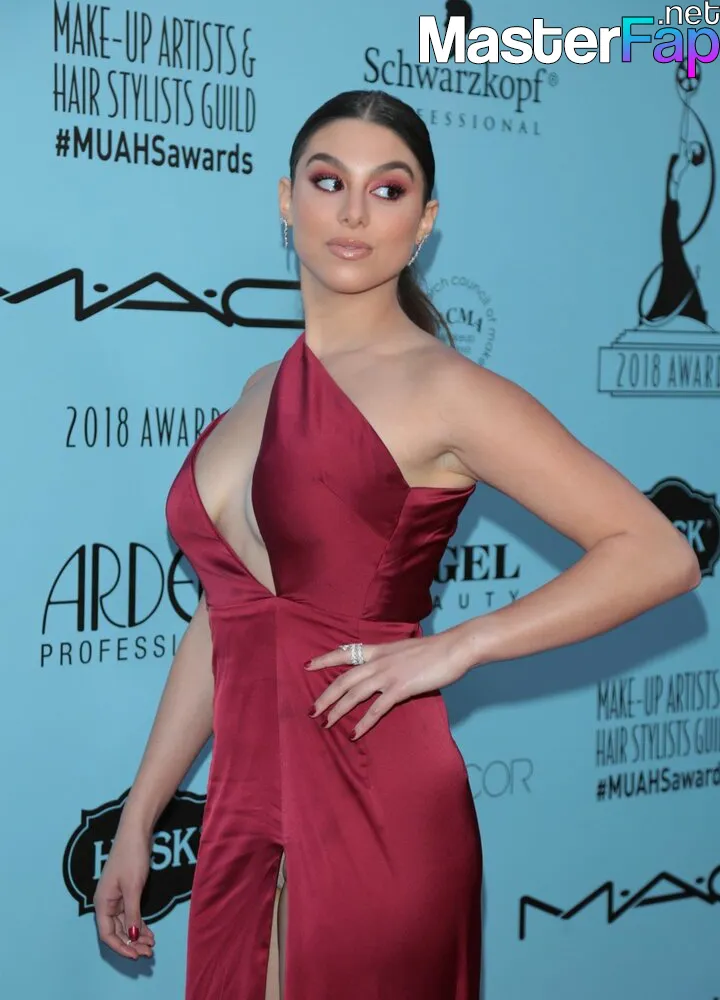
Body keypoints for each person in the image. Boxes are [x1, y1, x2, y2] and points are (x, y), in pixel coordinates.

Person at [92, 89, 701, 999]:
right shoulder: (259, 387)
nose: (352, 212)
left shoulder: (445, 389)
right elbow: (227, 618)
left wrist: (462, 645)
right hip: (244, 808)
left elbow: (658, 552)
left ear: (424, 223)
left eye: (388, 190)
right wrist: (140, 816)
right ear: (285, 199)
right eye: (327, 181)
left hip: (377, 791)